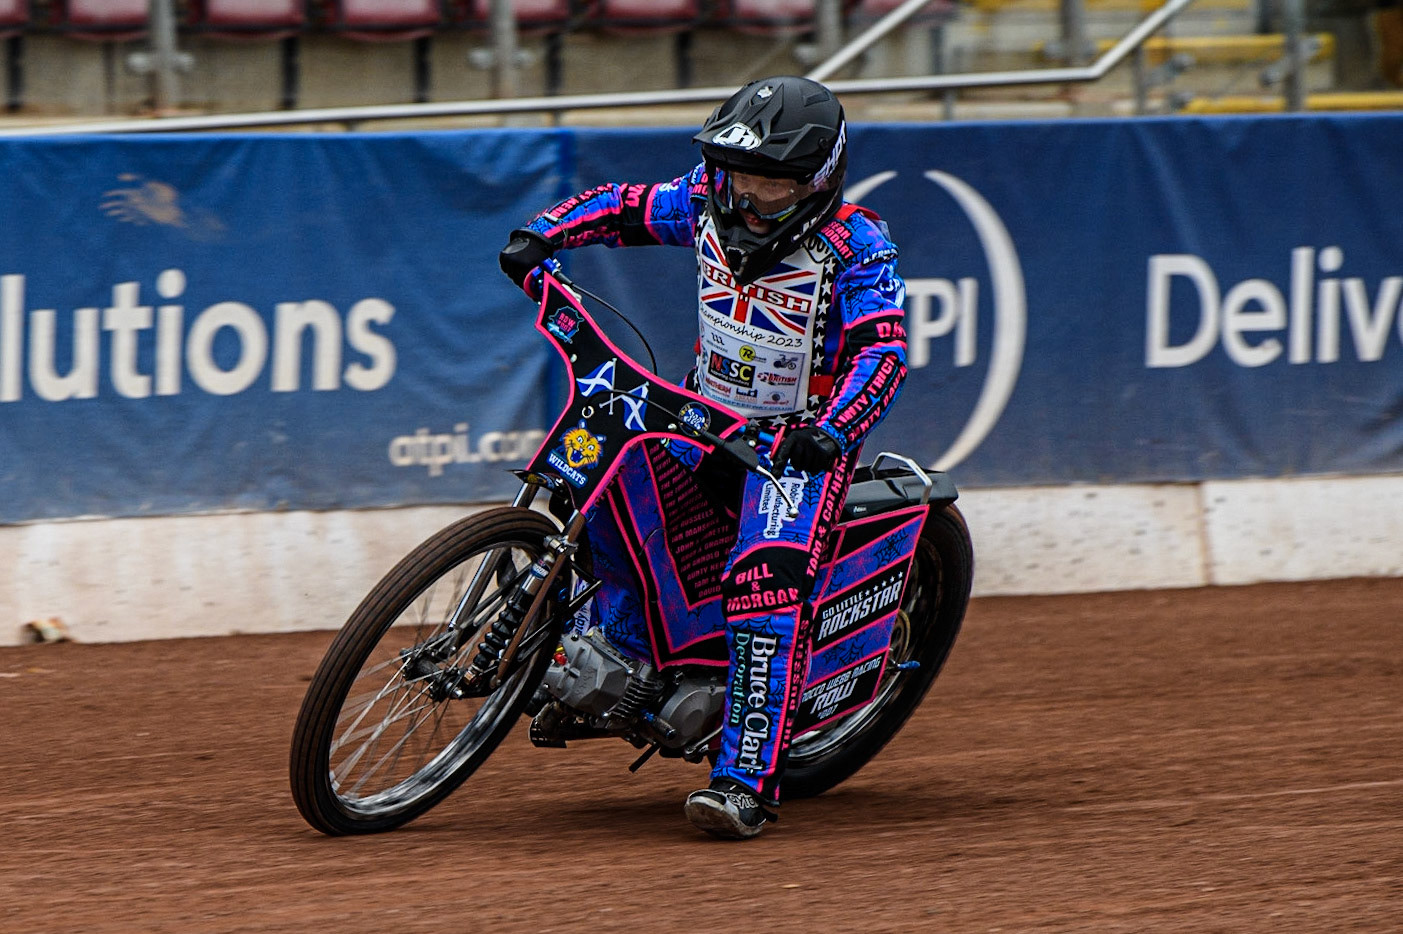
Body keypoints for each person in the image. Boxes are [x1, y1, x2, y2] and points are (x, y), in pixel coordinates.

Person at [498, 75, 908, 839]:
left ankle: (744, 781)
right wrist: (543, 233)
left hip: (795, 447)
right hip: (698, 414)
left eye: (773, 185)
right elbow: (621, 206)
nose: (750, 197)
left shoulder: (858, 244)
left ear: (818, 179)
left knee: (763, 586)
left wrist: (834, 429)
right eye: (740, 174)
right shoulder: (704, 197)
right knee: (602, 495)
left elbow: (882, 354)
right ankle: (614, 663)